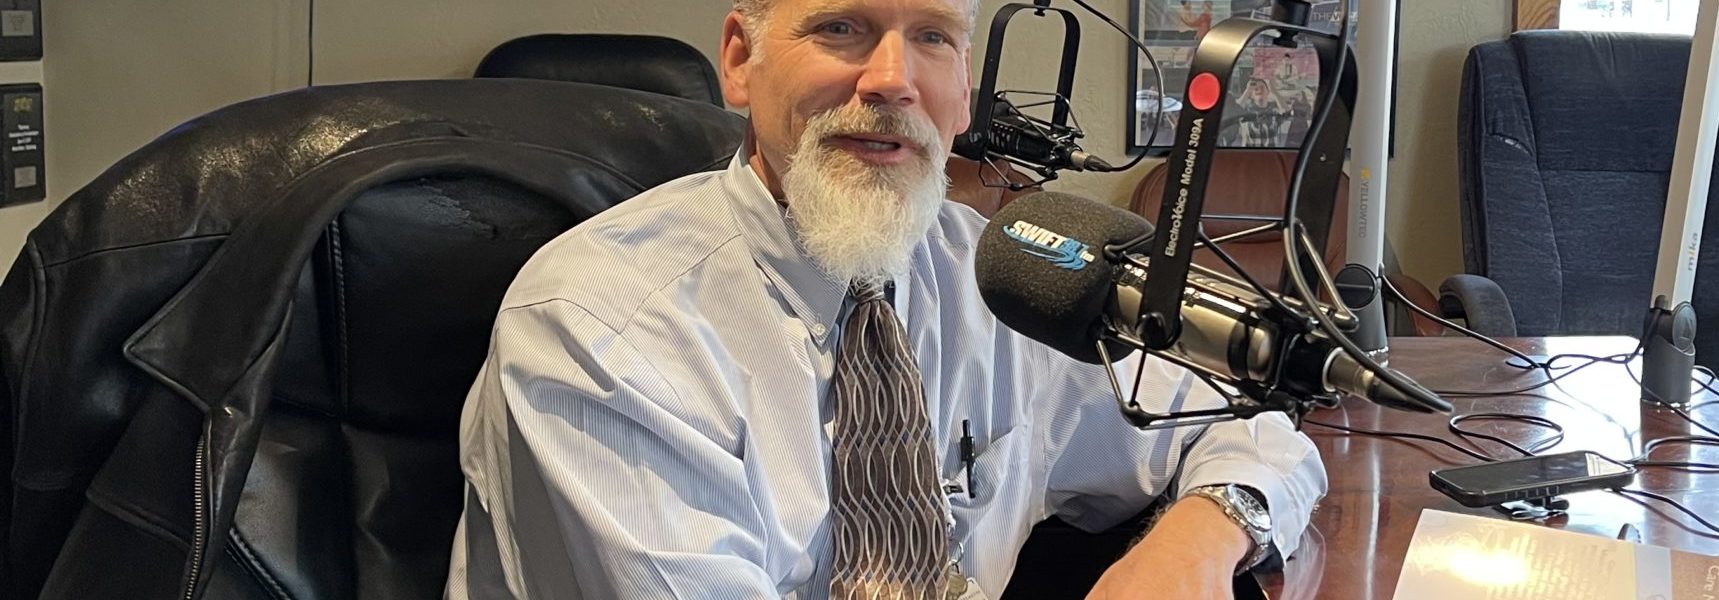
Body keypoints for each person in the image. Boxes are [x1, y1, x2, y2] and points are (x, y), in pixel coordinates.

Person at [444, 0, 1326, 598]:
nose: (892, 80)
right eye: (842, 28)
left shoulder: (1001, 275)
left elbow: (1248, 426)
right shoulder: (597, 330)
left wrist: (1196, 543)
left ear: (963, 92)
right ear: (741, 61)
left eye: (932, 37)